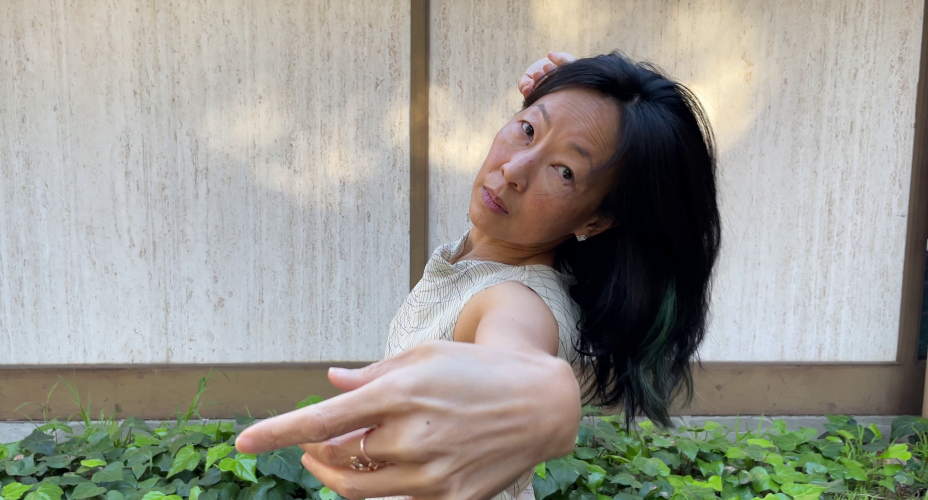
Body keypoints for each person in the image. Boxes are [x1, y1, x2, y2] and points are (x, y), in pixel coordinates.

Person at [236, 51, 721, 500]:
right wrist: (576, 93)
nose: (514, 167)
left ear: (595, 221)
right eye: (527, 130)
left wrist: (547, 401)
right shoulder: (490, 248)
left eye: (565, 172)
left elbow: (519, 356)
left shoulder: (514, 296)